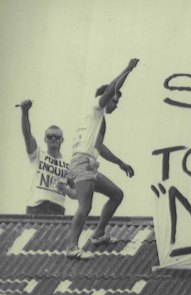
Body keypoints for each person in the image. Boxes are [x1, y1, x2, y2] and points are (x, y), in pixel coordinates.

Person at [65, 58, 139, 259]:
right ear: (106, 99)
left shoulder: (99, 122)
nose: (116, 105)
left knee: (116, 194)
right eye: (115, 100)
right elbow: (112, 86)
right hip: (81, 163)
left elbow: (100, 148)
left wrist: (120, 163)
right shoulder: (95, 108)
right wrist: (128, 69)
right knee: (85, 206)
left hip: (88, 163)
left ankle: (98, 234)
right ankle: (72, 247)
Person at [18, 100, 75, 215]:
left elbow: (78, 192)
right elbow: (27, 134)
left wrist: (66, 190)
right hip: (36, 207)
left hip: (57, 209)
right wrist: (25, 113)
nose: (53, 139)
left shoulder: (68, 164)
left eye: (57, 136)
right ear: (45, 139)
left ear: (62, 140)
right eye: (50, 136)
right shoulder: (38, 155)